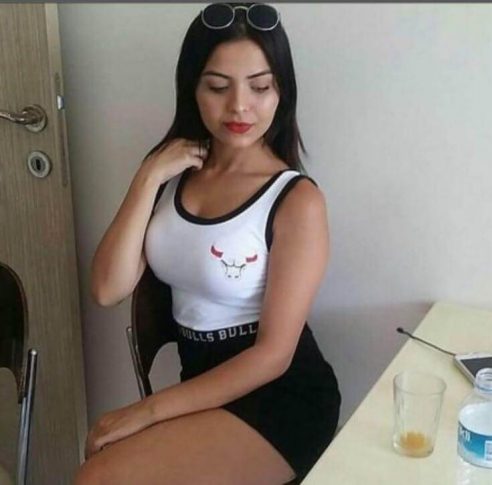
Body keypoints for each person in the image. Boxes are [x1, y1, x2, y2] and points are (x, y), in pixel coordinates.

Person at [75, 3, 341, 484]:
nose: (239, 106)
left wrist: (146, 411)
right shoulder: (172, 174)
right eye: (218, 87)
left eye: (260, 87)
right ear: (192, 89)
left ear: (281, 91)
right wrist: (148, 175)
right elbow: (107, 288)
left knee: (100, 478)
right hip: (199, 386)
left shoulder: (296, 199)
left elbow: (274, 355)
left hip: (281, 398)